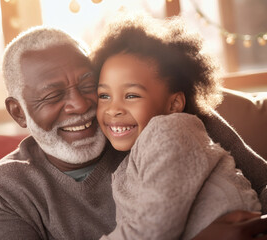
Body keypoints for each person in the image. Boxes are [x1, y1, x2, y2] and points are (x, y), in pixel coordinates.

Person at [0, 24, 267, 239]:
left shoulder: (166, 115)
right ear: (18, 112)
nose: (78, 104)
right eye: (52, 96)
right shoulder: (3, 192)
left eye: (89, 86)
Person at [92, 14, 262, 240]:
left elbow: (153, 227)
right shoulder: (129, 162)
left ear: (174, 104)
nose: (113, 109)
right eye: (104, 95)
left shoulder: (171, 132)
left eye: (131, 95)